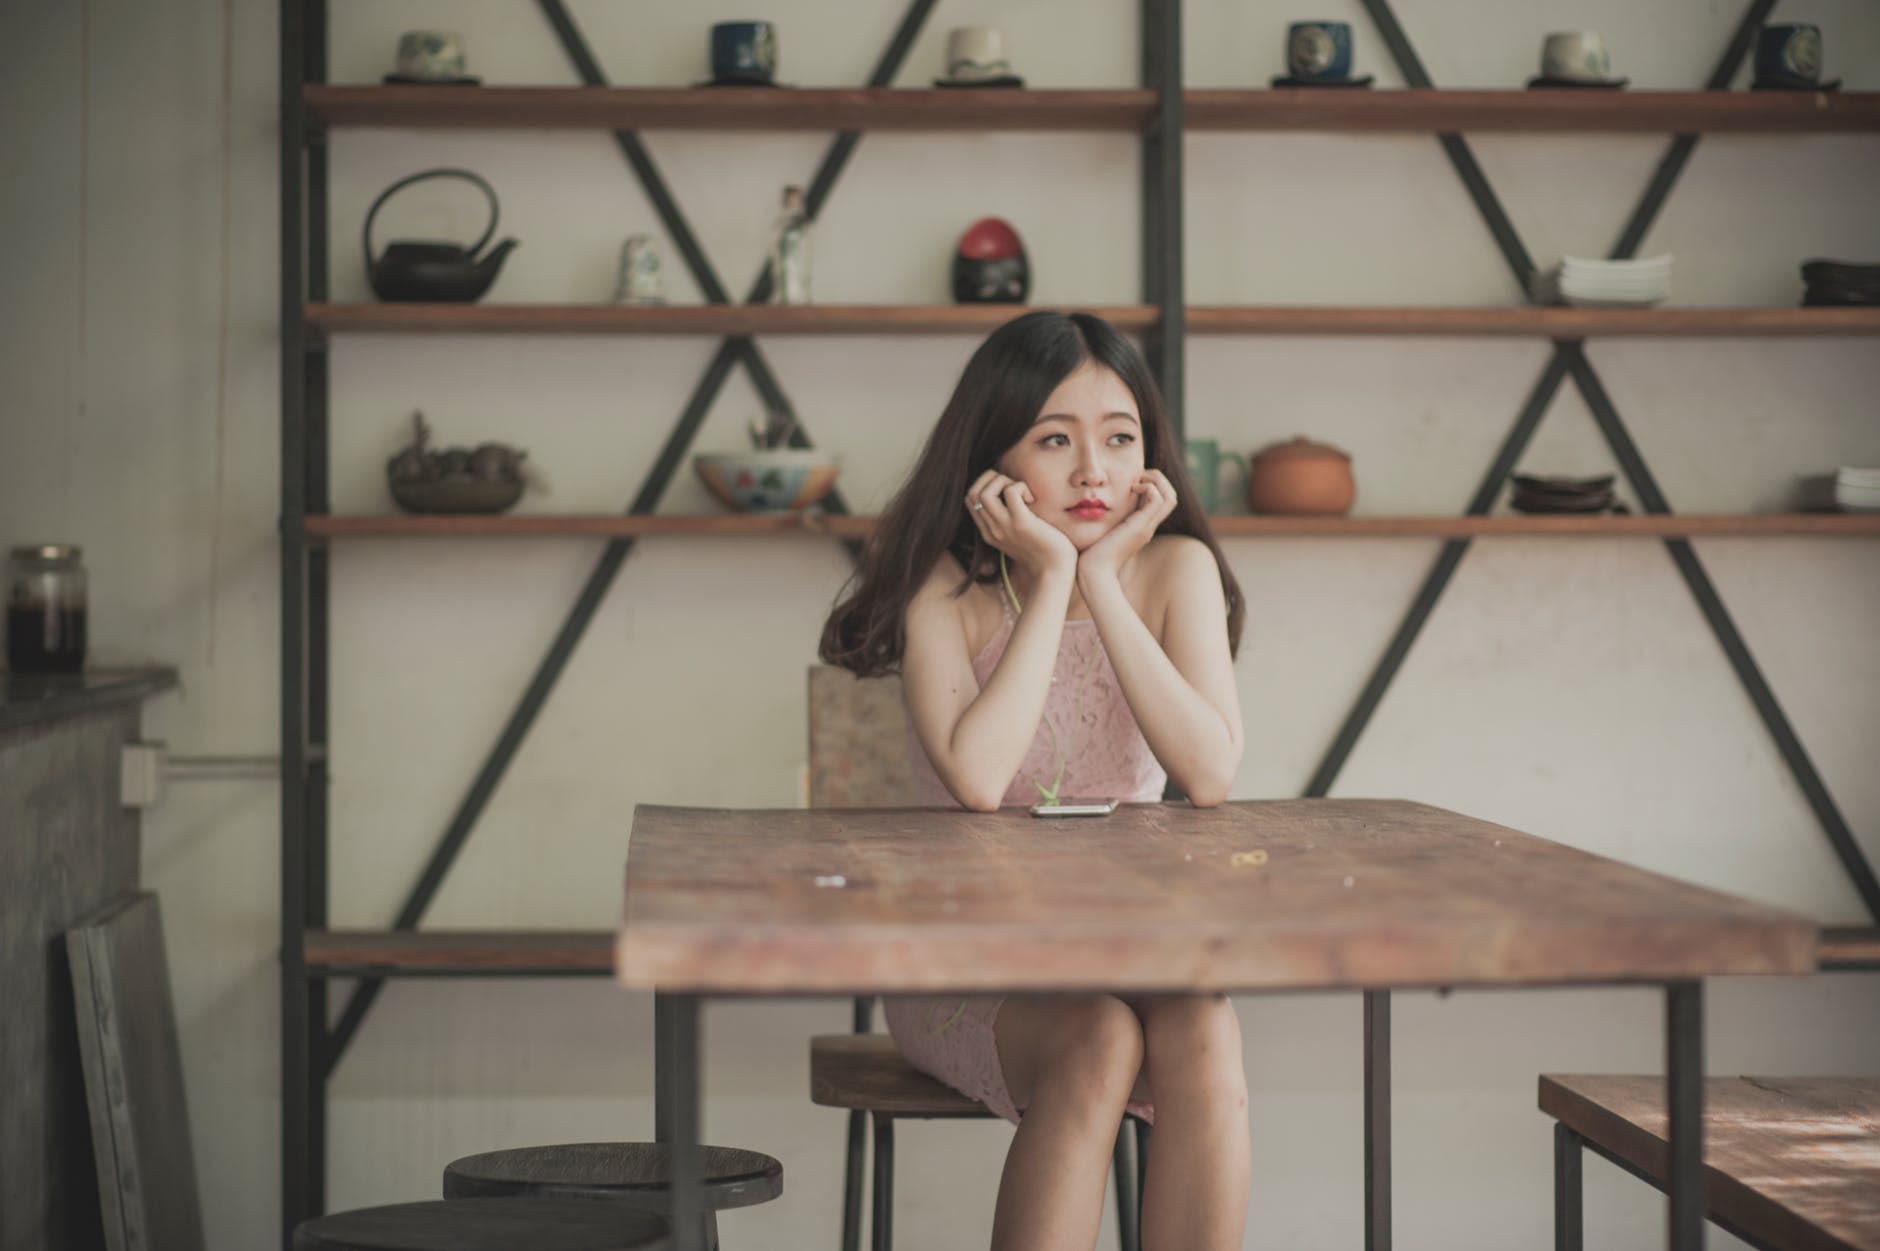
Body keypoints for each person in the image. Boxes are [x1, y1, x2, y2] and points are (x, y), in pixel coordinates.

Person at [819, 310, 1250, 1250]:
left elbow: (1211, 770)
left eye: (1120, 439)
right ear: (994, 460)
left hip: (1123, 944)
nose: (1094, 470)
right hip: (965, 962)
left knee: (1205, 1019)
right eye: (1056, 439)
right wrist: (1053, 578)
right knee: (1098, 1038)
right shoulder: (945, 586)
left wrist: (1105, 582)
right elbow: (979, 777)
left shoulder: (1177, 570)